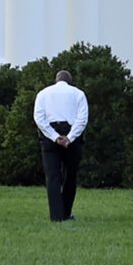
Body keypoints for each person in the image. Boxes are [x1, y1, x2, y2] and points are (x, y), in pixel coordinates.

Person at [33, 70, 89, 222]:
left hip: (50, 136)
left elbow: (39, 118)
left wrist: (54, 136)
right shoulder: (78, 94)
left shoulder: (43, 94)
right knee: (70, 176)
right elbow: (82, 119)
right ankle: (66, 212)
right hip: (72, 134)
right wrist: (69, 138)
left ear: (56, 80)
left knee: (52, 177)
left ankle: (56, 216)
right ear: (69, 81)